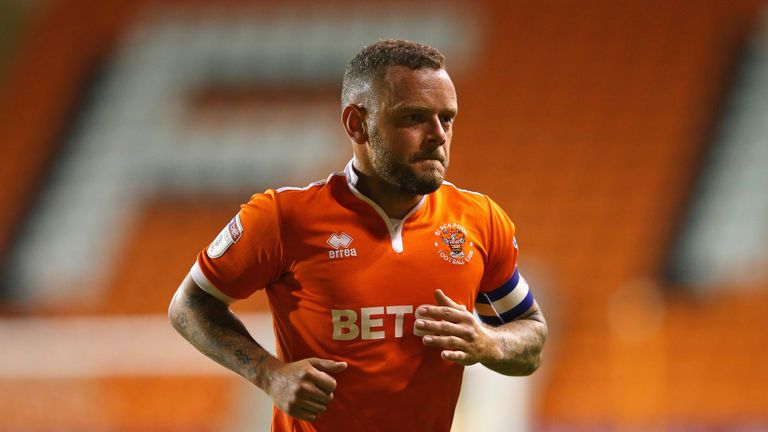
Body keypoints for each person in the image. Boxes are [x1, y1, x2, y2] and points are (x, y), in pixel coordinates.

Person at [168, 39, 547, 432]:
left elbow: (531, 336)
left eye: (447, 118)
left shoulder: (479, 220)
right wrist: (269, 374)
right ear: (356, 123)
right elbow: (190, 307)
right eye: (414, 117)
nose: (438, 135)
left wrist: (488, 342)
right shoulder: (283, 218)